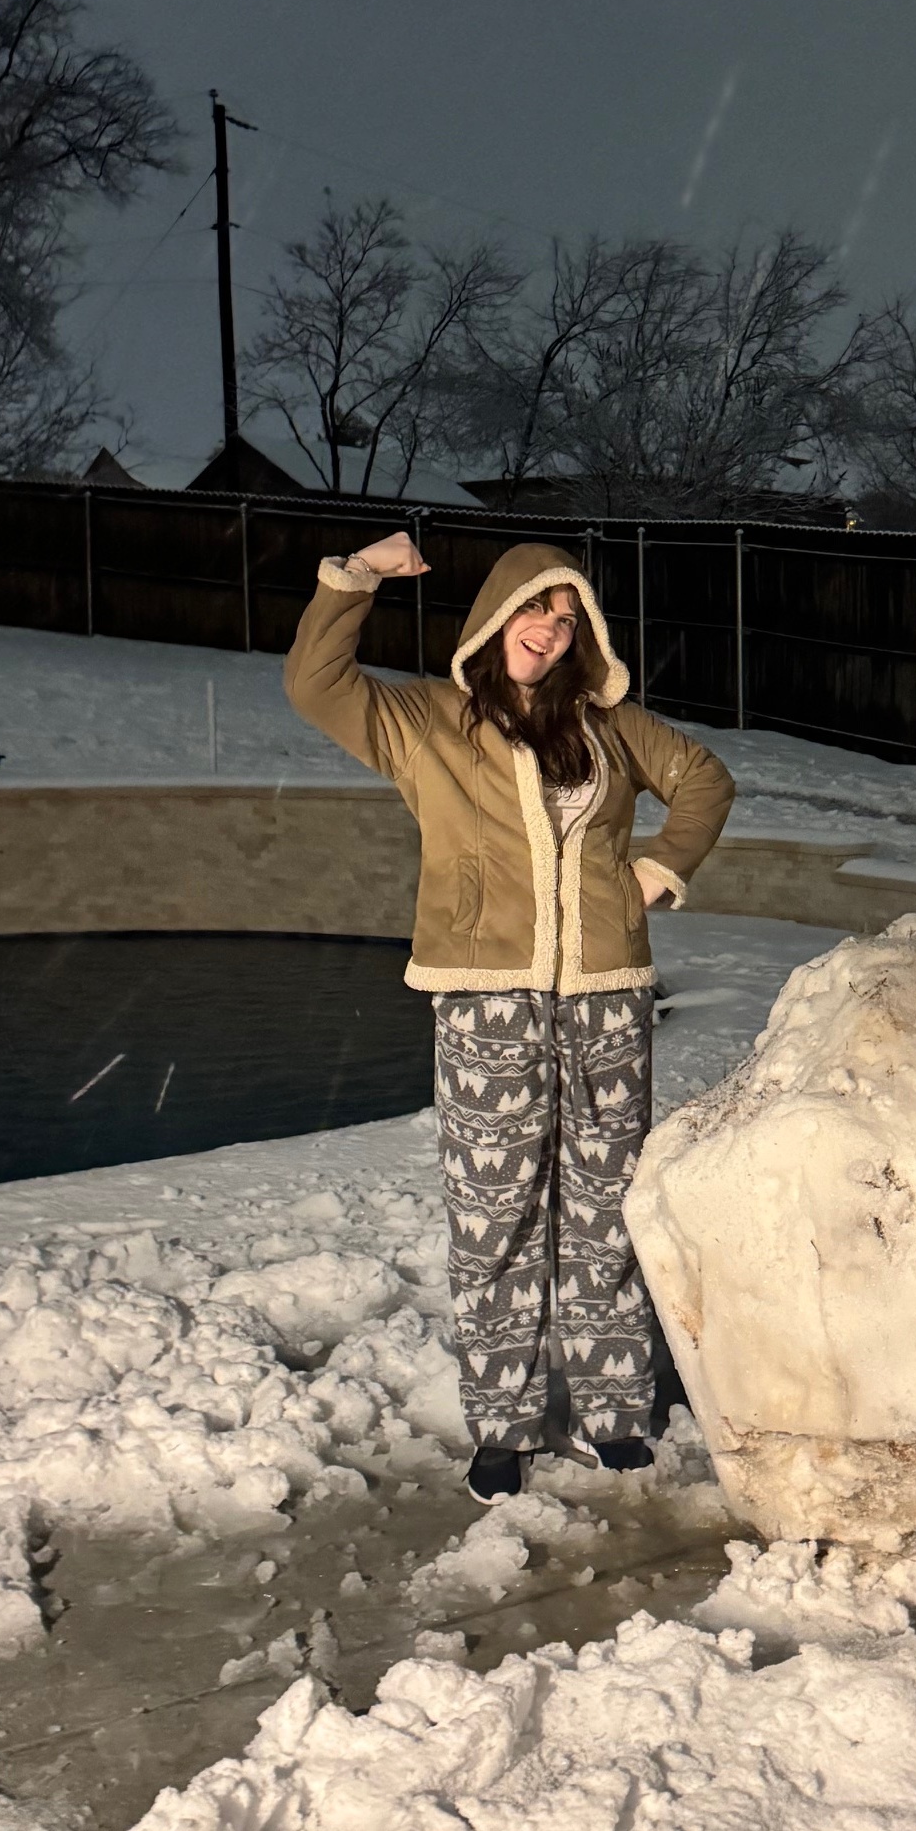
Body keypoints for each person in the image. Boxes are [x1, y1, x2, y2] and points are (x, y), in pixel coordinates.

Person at [283, 531, 734, 1502]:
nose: (551, 632)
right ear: (498, 617)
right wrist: (354, 578)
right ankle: (505, 1424)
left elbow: (703, 778)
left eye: (568, 619)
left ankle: (613, 1414)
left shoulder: (606, 724)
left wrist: (660, 867)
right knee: (496, 1221)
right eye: (538, 611)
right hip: (487, 998)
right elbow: (316, 687)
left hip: (606, 998)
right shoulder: (427, 720)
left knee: (604, 1215)